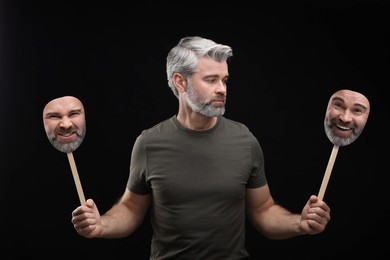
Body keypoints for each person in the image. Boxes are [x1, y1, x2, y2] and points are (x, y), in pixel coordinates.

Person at [71, 36, 331, 259]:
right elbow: (130, 209)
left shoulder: (245, 140)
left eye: (225, 80)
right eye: (211, 80)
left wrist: (300, 223)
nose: (222, 89)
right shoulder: (149, 143)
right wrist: (101, 225)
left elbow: (263, 210)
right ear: (180, 82)